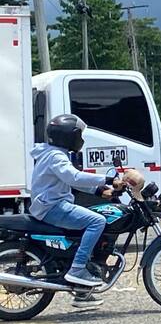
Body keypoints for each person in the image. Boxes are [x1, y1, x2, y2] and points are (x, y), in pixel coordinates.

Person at [29, 115, 127, 308]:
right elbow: (73, 176)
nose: (81, 139)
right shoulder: (56, 156)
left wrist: (100, 191)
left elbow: (70, 181)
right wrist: (106, 181)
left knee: (91, 223)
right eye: (79, 135)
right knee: (97, 221)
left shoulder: (53, 153)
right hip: (52, 207)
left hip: (52, 204)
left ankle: (82, 292)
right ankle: (77, 269)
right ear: (70, 136)